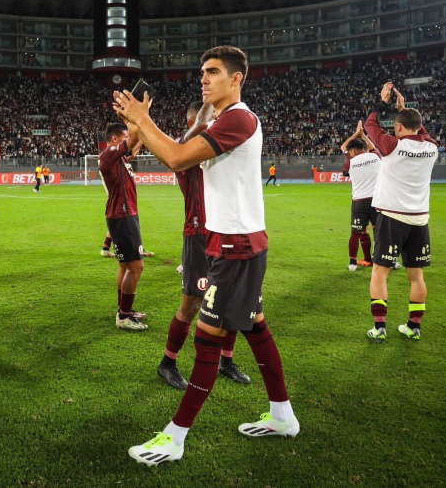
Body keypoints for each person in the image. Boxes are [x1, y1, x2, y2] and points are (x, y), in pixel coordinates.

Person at [117, 45, 298, 466]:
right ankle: (282, 415)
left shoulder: (239, 118)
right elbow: (175, 153)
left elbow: (178, 158)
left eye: (213, 71)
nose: (204, 77)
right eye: (202, 71)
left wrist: (142, 120)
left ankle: (175, 438)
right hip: (229, 243)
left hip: (237, 247)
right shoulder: (220, 119)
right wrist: (140, 126)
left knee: (208, 338)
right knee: (256, 328)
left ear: (237, 79)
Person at [158, 100, 251, 390]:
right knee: (192, 305)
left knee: (234, 299)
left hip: (227, 232)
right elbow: (176, 149)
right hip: (198, 236)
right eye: (211, 119)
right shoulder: (183, 152)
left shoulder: (219, 148)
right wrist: (204, 120)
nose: (216, 123)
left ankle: (227, 361)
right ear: (193, 122)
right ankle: (168, 363)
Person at [363, 83, 437, 342]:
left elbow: (370, 126)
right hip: (420, 219)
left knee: (380, 271)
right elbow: (422, 134)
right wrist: (404, 110)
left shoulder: (392, 146)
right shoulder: (432, 148)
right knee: (416, 276)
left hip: (393, 217)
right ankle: (413, 327)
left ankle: (380, 327)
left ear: (398, 128)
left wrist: (382, 104)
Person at [99, 122, 148, 331]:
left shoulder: (119, 159)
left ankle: (124, 308)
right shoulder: (109, 155)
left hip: (124, 215)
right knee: (137, 266)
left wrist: (144, 130)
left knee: (125, 266)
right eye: (125, 137)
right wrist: (137, 117)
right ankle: (124, 316)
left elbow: (136, 144)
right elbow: (134, 140)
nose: (129, 141)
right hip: (123, 215)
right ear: (115, 140)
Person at [340, 121, 382, 272]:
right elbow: (373, 147)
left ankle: (353, 262)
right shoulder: (377, 156)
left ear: (353, 152)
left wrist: (357, 133)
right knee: (379, 232)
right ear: (365, 149)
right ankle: (385, 260)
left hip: (359, 202)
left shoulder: (350, 161)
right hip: (377, 201)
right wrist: (363, 134)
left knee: (358, 232)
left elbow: (344, 147)